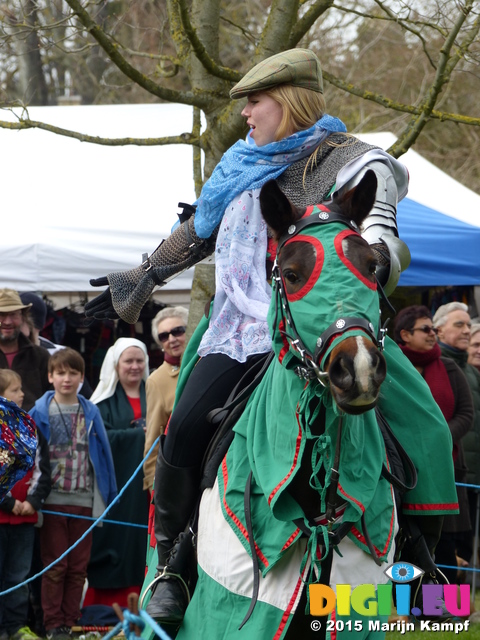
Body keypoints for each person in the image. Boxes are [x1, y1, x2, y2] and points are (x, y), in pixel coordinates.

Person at [84, 48, 456, 628]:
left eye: (254, 102)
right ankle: (176, 565)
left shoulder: (357, 163)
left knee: (426, 426)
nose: (246, 115)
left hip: (333, 321)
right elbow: (196, 234)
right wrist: (141, 278)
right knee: (184, 428)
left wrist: (374, 260)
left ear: (287, 101)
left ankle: (422, 565)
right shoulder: (240, 166)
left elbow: (387, 238)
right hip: (244, 327)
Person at [28, 348, 116, 640]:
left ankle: (70, 621)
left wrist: (107, 493)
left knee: (78, 568)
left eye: (73, 373)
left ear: (81, 378)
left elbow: (104, 455)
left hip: (84, 500)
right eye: (61, 373)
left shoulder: (90, 410)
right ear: (50, 376)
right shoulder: (38, 412)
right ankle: (53, 625)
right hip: (52, 502)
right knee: (55, 565)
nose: (67, 379)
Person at [394, 305, 474, 583]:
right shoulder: (393, 368)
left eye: (434, 328)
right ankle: (406, 609)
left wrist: (435, 438)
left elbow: (466, 414)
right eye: (425, 329)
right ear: (405, 334)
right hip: (402, 469)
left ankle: (447, 609)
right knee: (403, 542)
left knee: (448, 544)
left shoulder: (449, 368)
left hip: (446, 468)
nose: (433, 334)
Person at [86, 338, 149, 607]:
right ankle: (107, 606)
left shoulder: (154, 391)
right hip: (116, 485)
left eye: (139, 360)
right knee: (114, 537)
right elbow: (98, 438)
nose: (134, 367)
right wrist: (139, 435)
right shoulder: (102, 402)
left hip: (150, 483)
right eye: (128, 361)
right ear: (116, 364)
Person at [0, 372, 50, 640]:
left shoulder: (28, 427)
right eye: (15, 390)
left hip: (25, 519)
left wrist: (32, 501)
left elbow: (43, 468)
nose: (21, 394)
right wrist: (8, 503)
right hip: (3, 516)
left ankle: (16, 625)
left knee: (19, 576)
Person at [433, 303, 480, 560]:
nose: (466, 330)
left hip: (470, 478)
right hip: (446, 473)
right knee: (443, 552)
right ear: (438, 330)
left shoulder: (471, 371)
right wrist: (438, 442)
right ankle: (432, 602)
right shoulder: (435, 367)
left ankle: (454, 602)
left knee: (463, 552)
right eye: (459, 324)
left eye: (468, 325)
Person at [143, 307, 189, 495]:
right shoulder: (157, 380)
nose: (171, 339)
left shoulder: (206, 363)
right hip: (181, 472)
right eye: (164, 336)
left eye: (178, 331)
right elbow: (153, 436)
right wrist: (153, 484)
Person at [0, 289, 50, 411]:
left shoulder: (40, 356)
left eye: (13, 315)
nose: (7, 322)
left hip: (33, 428)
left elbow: (53, 400)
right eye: (1, 315)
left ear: (22, 317)